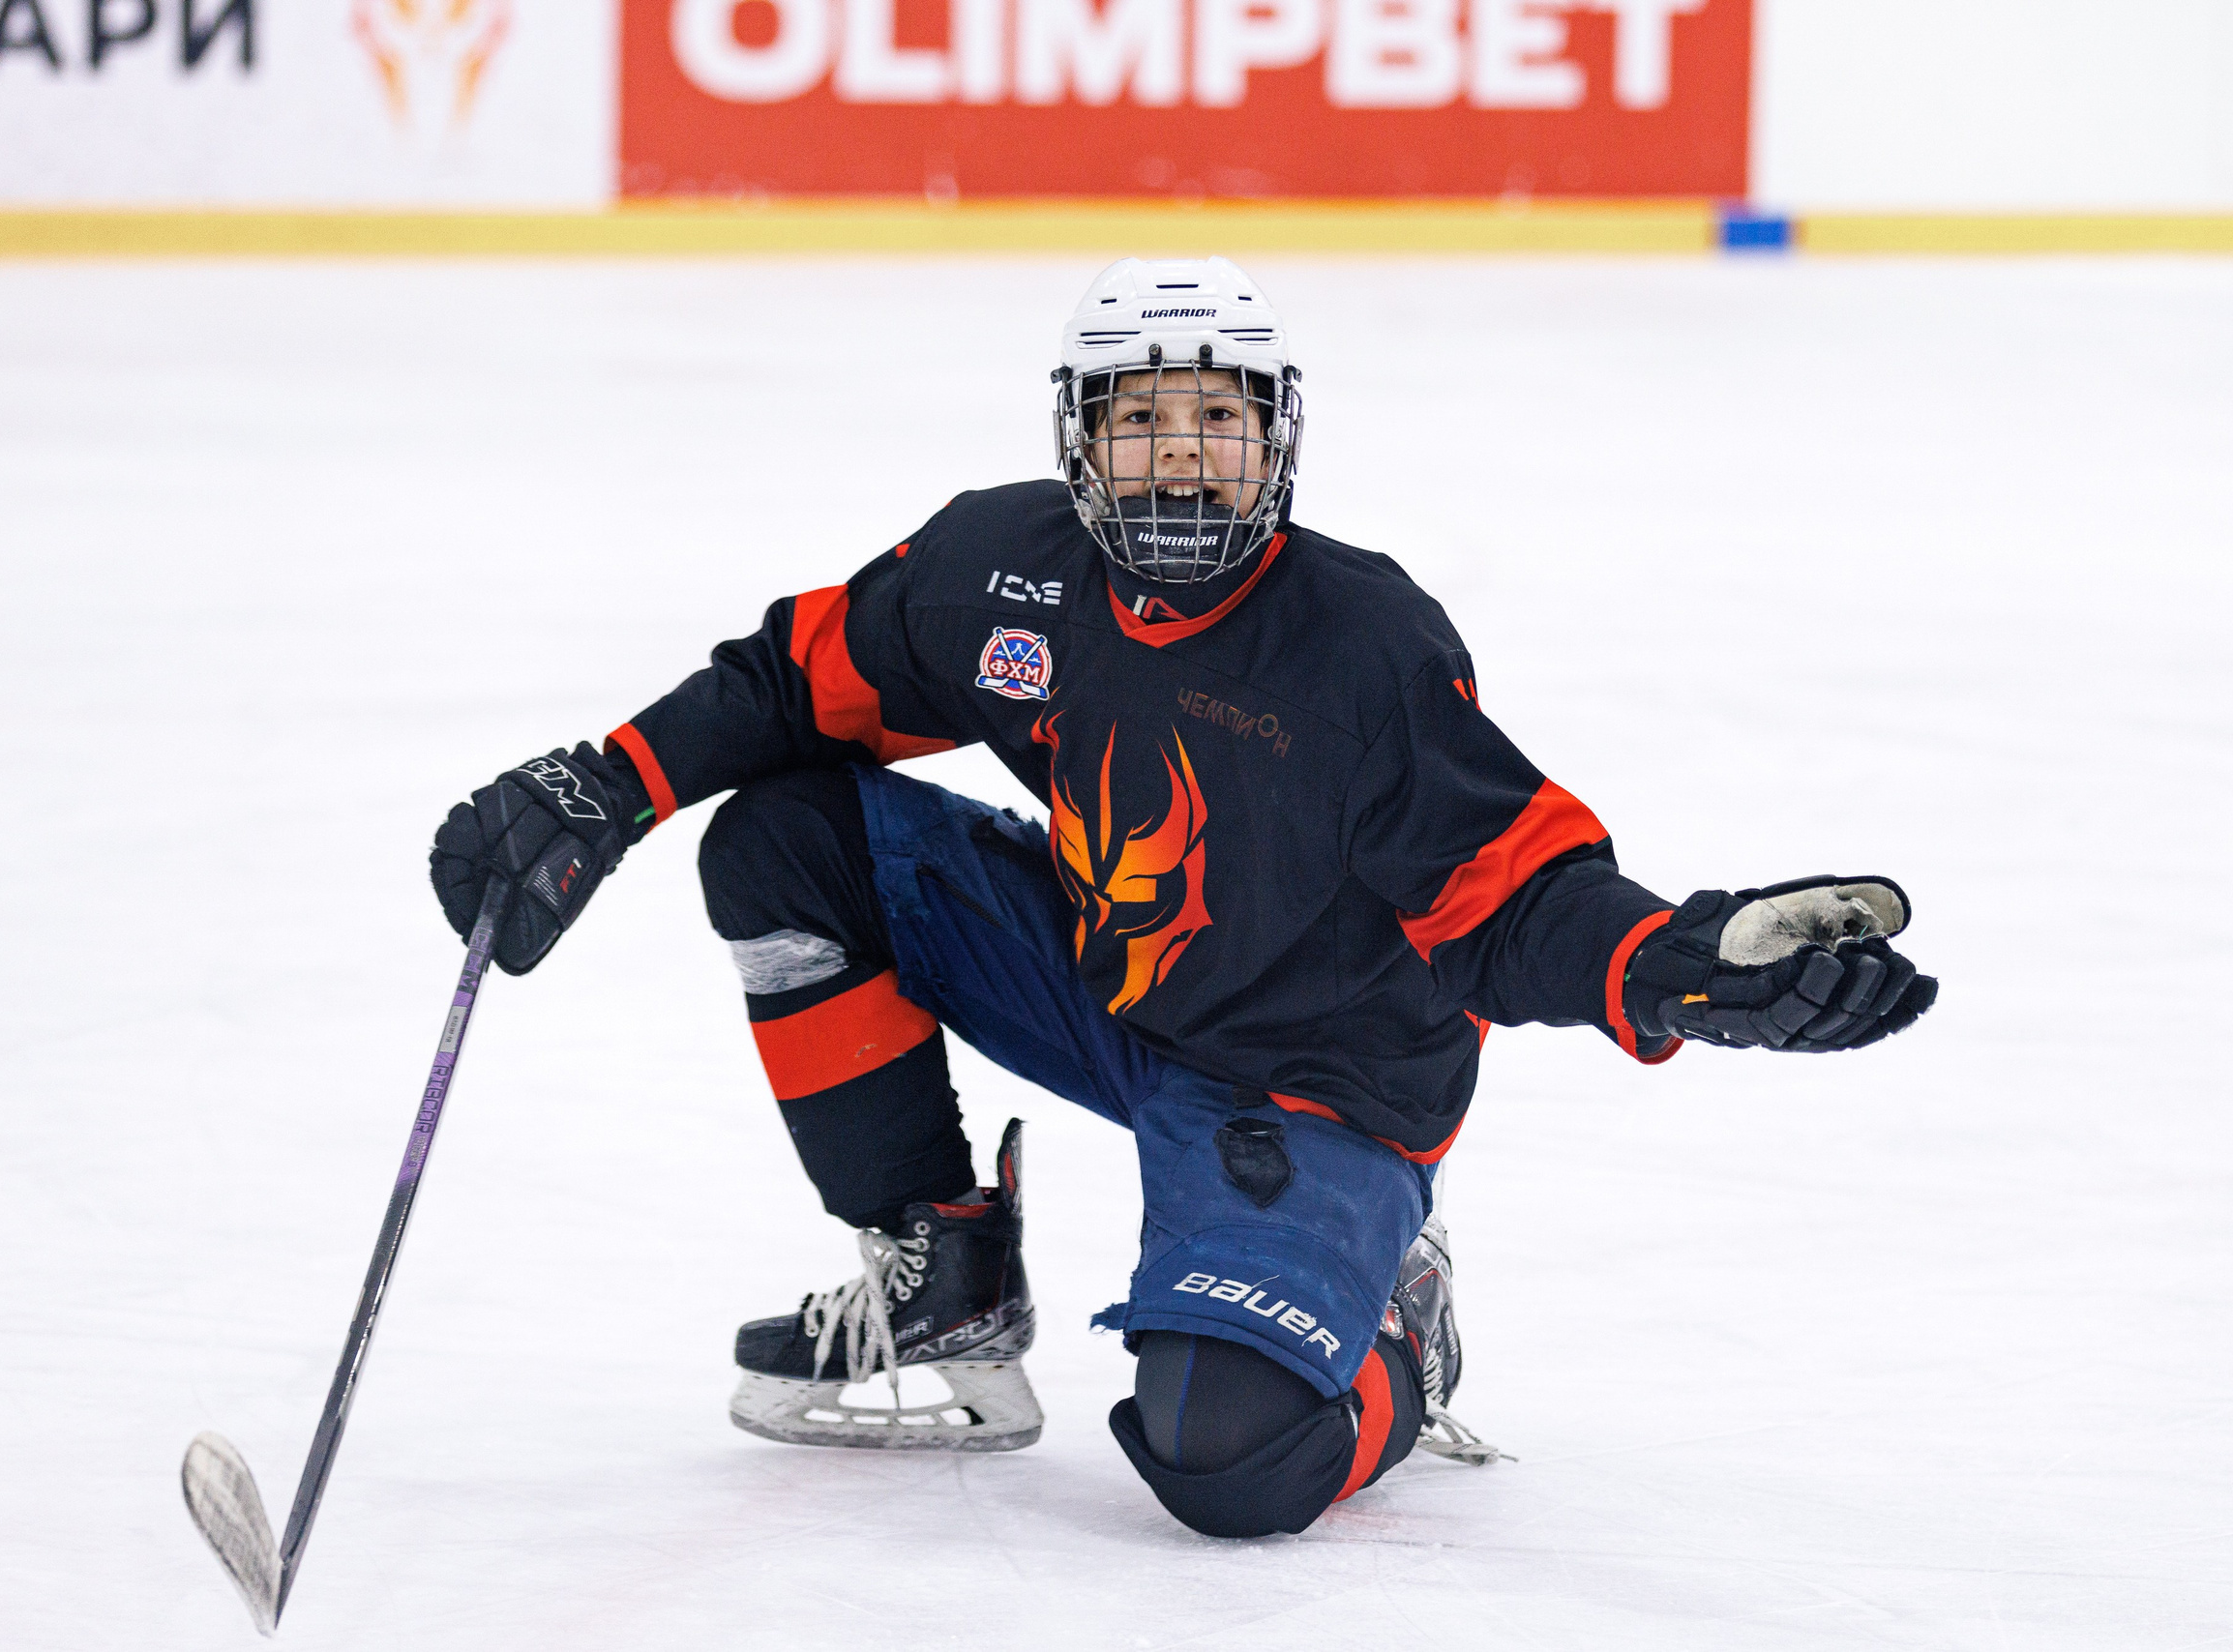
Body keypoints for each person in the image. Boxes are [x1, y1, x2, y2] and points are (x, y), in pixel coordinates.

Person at [428, 256, 1938, 1540]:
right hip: (1110, 977)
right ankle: (943, 1270)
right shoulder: (1001, 573)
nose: (1180, 453)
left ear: (1274, 438)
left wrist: (1671, 964)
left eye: (1218, 416)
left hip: (1313, 1085)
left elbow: (1511, 890)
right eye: (1140, 417)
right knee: (782, 844)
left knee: (1228, 1456)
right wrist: (601, 785)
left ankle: (1396, 1321)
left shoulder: (1360, 643)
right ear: (1082, 440)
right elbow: (796, 684)